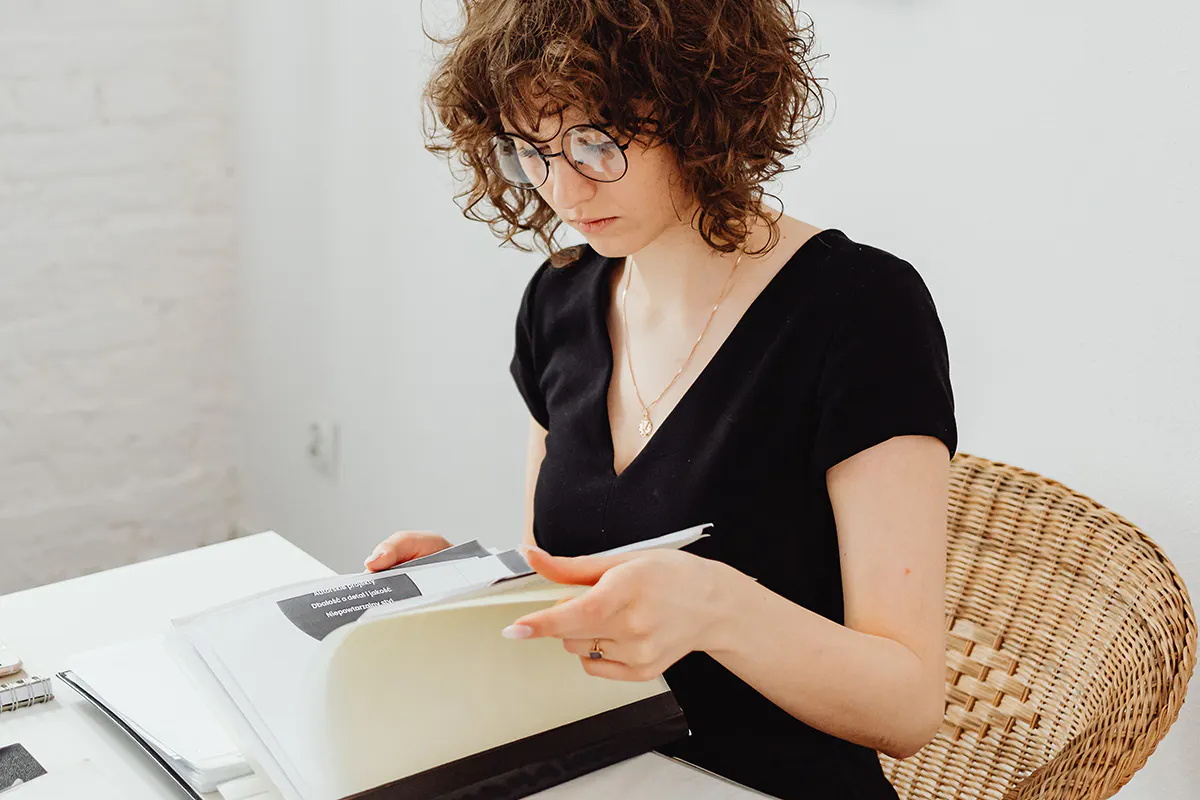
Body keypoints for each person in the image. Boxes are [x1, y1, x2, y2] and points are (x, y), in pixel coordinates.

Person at [364, 1, 957, 797]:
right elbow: (572, 576)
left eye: (596, 143)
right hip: (592, 775)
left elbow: (910, 704)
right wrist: (473, 597)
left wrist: (717, 608)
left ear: (704, 108)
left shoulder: (858, 308)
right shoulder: (560, 299)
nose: (562, 190)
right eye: (529, 152)